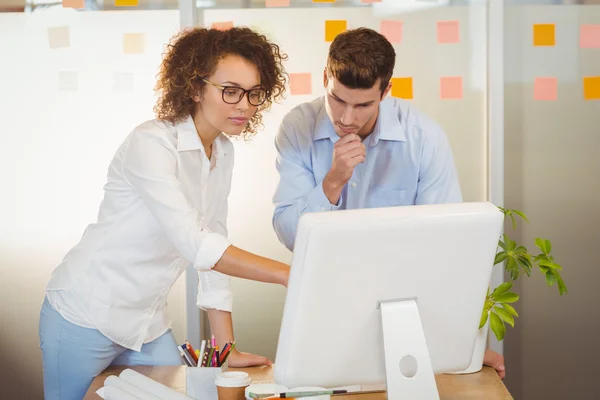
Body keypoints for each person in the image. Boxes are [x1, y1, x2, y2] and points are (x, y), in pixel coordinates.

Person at [39, 27, 290, 400]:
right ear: (193, 87)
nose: (244, 105)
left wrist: (227, 347)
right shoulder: (151, 143)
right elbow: (197, 243)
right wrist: (290, 274)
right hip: (85, 314)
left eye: (254, 93)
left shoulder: (222, 151)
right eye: (230, 90)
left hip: (146, 323)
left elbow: (214, 242)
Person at [271, 27, 505, 379]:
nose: (347, 118)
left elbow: (445, 245)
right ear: (325, 79)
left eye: (363, 104)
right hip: (325, 299)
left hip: (406, 307)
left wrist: (461, 339)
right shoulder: (296, 129)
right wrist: (332, 182)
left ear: (386, 91)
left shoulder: (424, 139)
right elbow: (289, 233)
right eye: (337, 99)